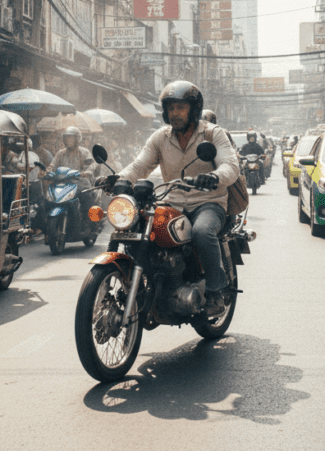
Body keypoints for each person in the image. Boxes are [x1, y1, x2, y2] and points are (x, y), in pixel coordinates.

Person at [102, 81, 240, 315]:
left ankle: (216, 291)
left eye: (181, 108)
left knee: (201, 231)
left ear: (193, 110)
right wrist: (118, 179)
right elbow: (140, 165)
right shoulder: (160, 137)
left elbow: (231, 164)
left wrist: (215, 177)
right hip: (172, 202)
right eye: (171, 108)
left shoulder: (212, 133)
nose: (175, 113)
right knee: (139, 225)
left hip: (208, 202)